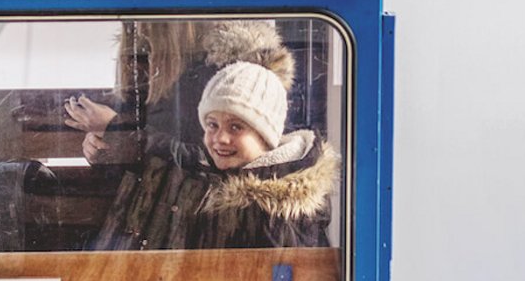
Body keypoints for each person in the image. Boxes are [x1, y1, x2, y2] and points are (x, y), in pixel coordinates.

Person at [91, 57, 339, 250]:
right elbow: (175, 156)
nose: (220, 138)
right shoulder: (220, 171)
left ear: (266, 136)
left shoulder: (281, 208)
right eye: (212, 125)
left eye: (236, 127)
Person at [63, 18, 294, 163]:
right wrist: (104, 150)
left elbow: (211, 163)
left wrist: (116, 129)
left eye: (148, 28)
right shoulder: (152, 77)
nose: (141, 34)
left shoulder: (224, 78)